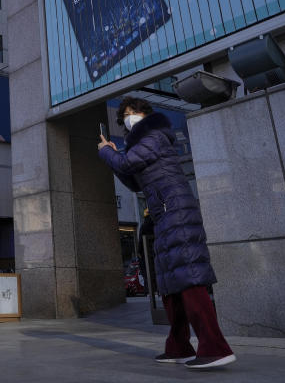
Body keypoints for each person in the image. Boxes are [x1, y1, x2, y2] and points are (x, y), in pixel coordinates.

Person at [97, 97, 235, 370]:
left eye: (133, 112)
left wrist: (106, 152)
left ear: (145, 113)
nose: (129, 117)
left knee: (189, 280)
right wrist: (114, 156)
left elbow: (127, 164)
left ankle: (215, 347)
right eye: (125, 114)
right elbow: (134, 179)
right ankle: (179, 346)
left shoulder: (154, 134)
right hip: (164, 215)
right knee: (171, 286)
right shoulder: (141, 143)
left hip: (176, 212)